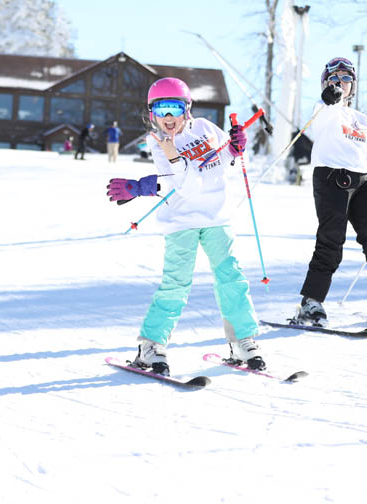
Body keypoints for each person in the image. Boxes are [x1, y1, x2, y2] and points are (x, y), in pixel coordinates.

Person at [106, 77, 263, 376]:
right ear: (151, 113)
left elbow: (221, 160)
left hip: (217, 217)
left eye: (174, 108)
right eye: (160, 108)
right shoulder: (159, 145)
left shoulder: (205, 128)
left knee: (231, 280)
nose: (168, 117)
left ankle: (243, 340)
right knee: (176, 285)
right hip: (181, 223)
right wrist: (171, 159)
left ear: (186, 110)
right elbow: (188, 188)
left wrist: (235, 147)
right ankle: (151, 346)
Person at [293, 57, 367, 326]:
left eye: (346, 79)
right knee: (331, 241)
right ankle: (312, 302)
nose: (341, 83)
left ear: (352, 86)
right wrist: (329, 102)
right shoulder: (321, 109)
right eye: (335, 78)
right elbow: (319, 126)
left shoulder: (360, 119)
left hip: (362, 181)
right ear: (326, 83)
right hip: (330, 177)